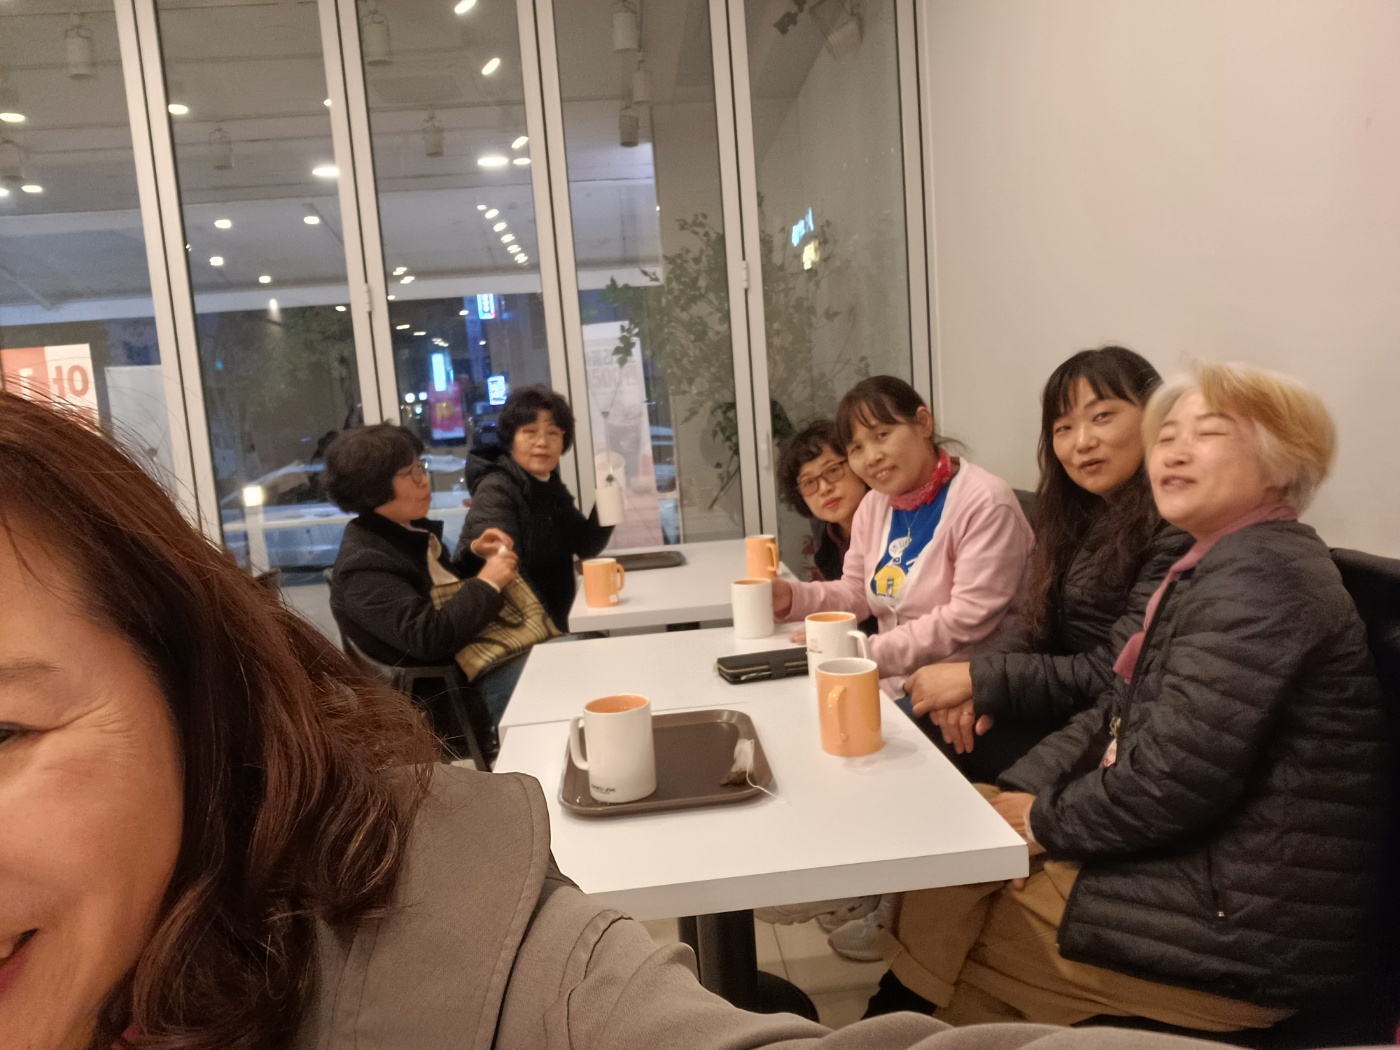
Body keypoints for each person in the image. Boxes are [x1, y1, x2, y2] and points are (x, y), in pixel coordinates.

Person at [0, 393, 1315, 1050]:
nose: (854, 472)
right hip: (507, 681)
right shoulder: (441, 533)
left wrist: (976, 723)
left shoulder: (447, 962)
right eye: (840, 458)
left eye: (5, 733)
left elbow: (1011, 650)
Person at [876, 363, 1387, 1032]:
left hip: (1243, 927)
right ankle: (912, 1016)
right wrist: (1021, 801)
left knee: (957, 904)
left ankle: (901, 1016)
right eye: (1166, 435)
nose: (1172, 450)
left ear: (1282, 458)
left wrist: (1042, 823)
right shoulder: (1214, 564)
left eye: (1206, 433)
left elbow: (1173, 779)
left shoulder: (1261, 579)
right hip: (1201, 869)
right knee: (961, 834)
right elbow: (1112, 710)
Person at [905, 347, 1193, 784]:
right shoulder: (1080, 514)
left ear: (1157, 416)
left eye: (1102, 416)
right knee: (917, 724)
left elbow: (1119, 670)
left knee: (914, 738)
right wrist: (975, 689)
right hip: (1064, 703)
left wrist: (980, 679)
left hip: (1115, 728)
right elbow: (1036, 626)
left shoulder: (1177, 525)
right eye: (1063, 427)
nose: (1082, 442)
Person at [772, 376, 1034, 701]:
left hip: (966, 691)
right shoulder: (875, 504)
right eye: (856, 449)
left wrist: (863, 654)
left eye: (881, 435)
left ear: (923, 422)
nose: (872, 457)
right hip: (893, 684)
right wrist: (791, 597)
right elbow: (856, 592)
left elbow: (966, 618)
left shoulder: (984, 501)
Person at [323, 424, 526, 725]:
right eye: (410, 473)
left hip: (478, 661)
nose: (423, 481)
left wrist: (476, 557)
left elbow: (448, 594)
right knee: (558, 668)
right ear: (373, 486)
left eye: (421, 467)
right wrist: (488, 582)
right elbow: (430, 637)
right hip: (448, 695)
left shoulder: (404, 532)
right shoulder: (364, 565)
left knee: (566, 655)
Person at [461, 385, 612, 632]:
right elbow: (511, 576)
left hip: (554, 624)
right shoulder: (497, 488)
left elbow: (585, 545)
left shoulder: (547, 483)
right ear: (510, 440)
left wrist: (609, 494)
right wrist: (556, 632)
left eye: (553, 433)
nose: (542, 442)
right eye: (529, 432)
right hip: (518, 632)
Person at [777, 419, 877, 633]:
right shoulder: (826, 532)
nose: (824, 489)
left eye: (832, 471)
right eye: (809, 483)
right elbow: (851, 599)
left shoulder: (892, 522)